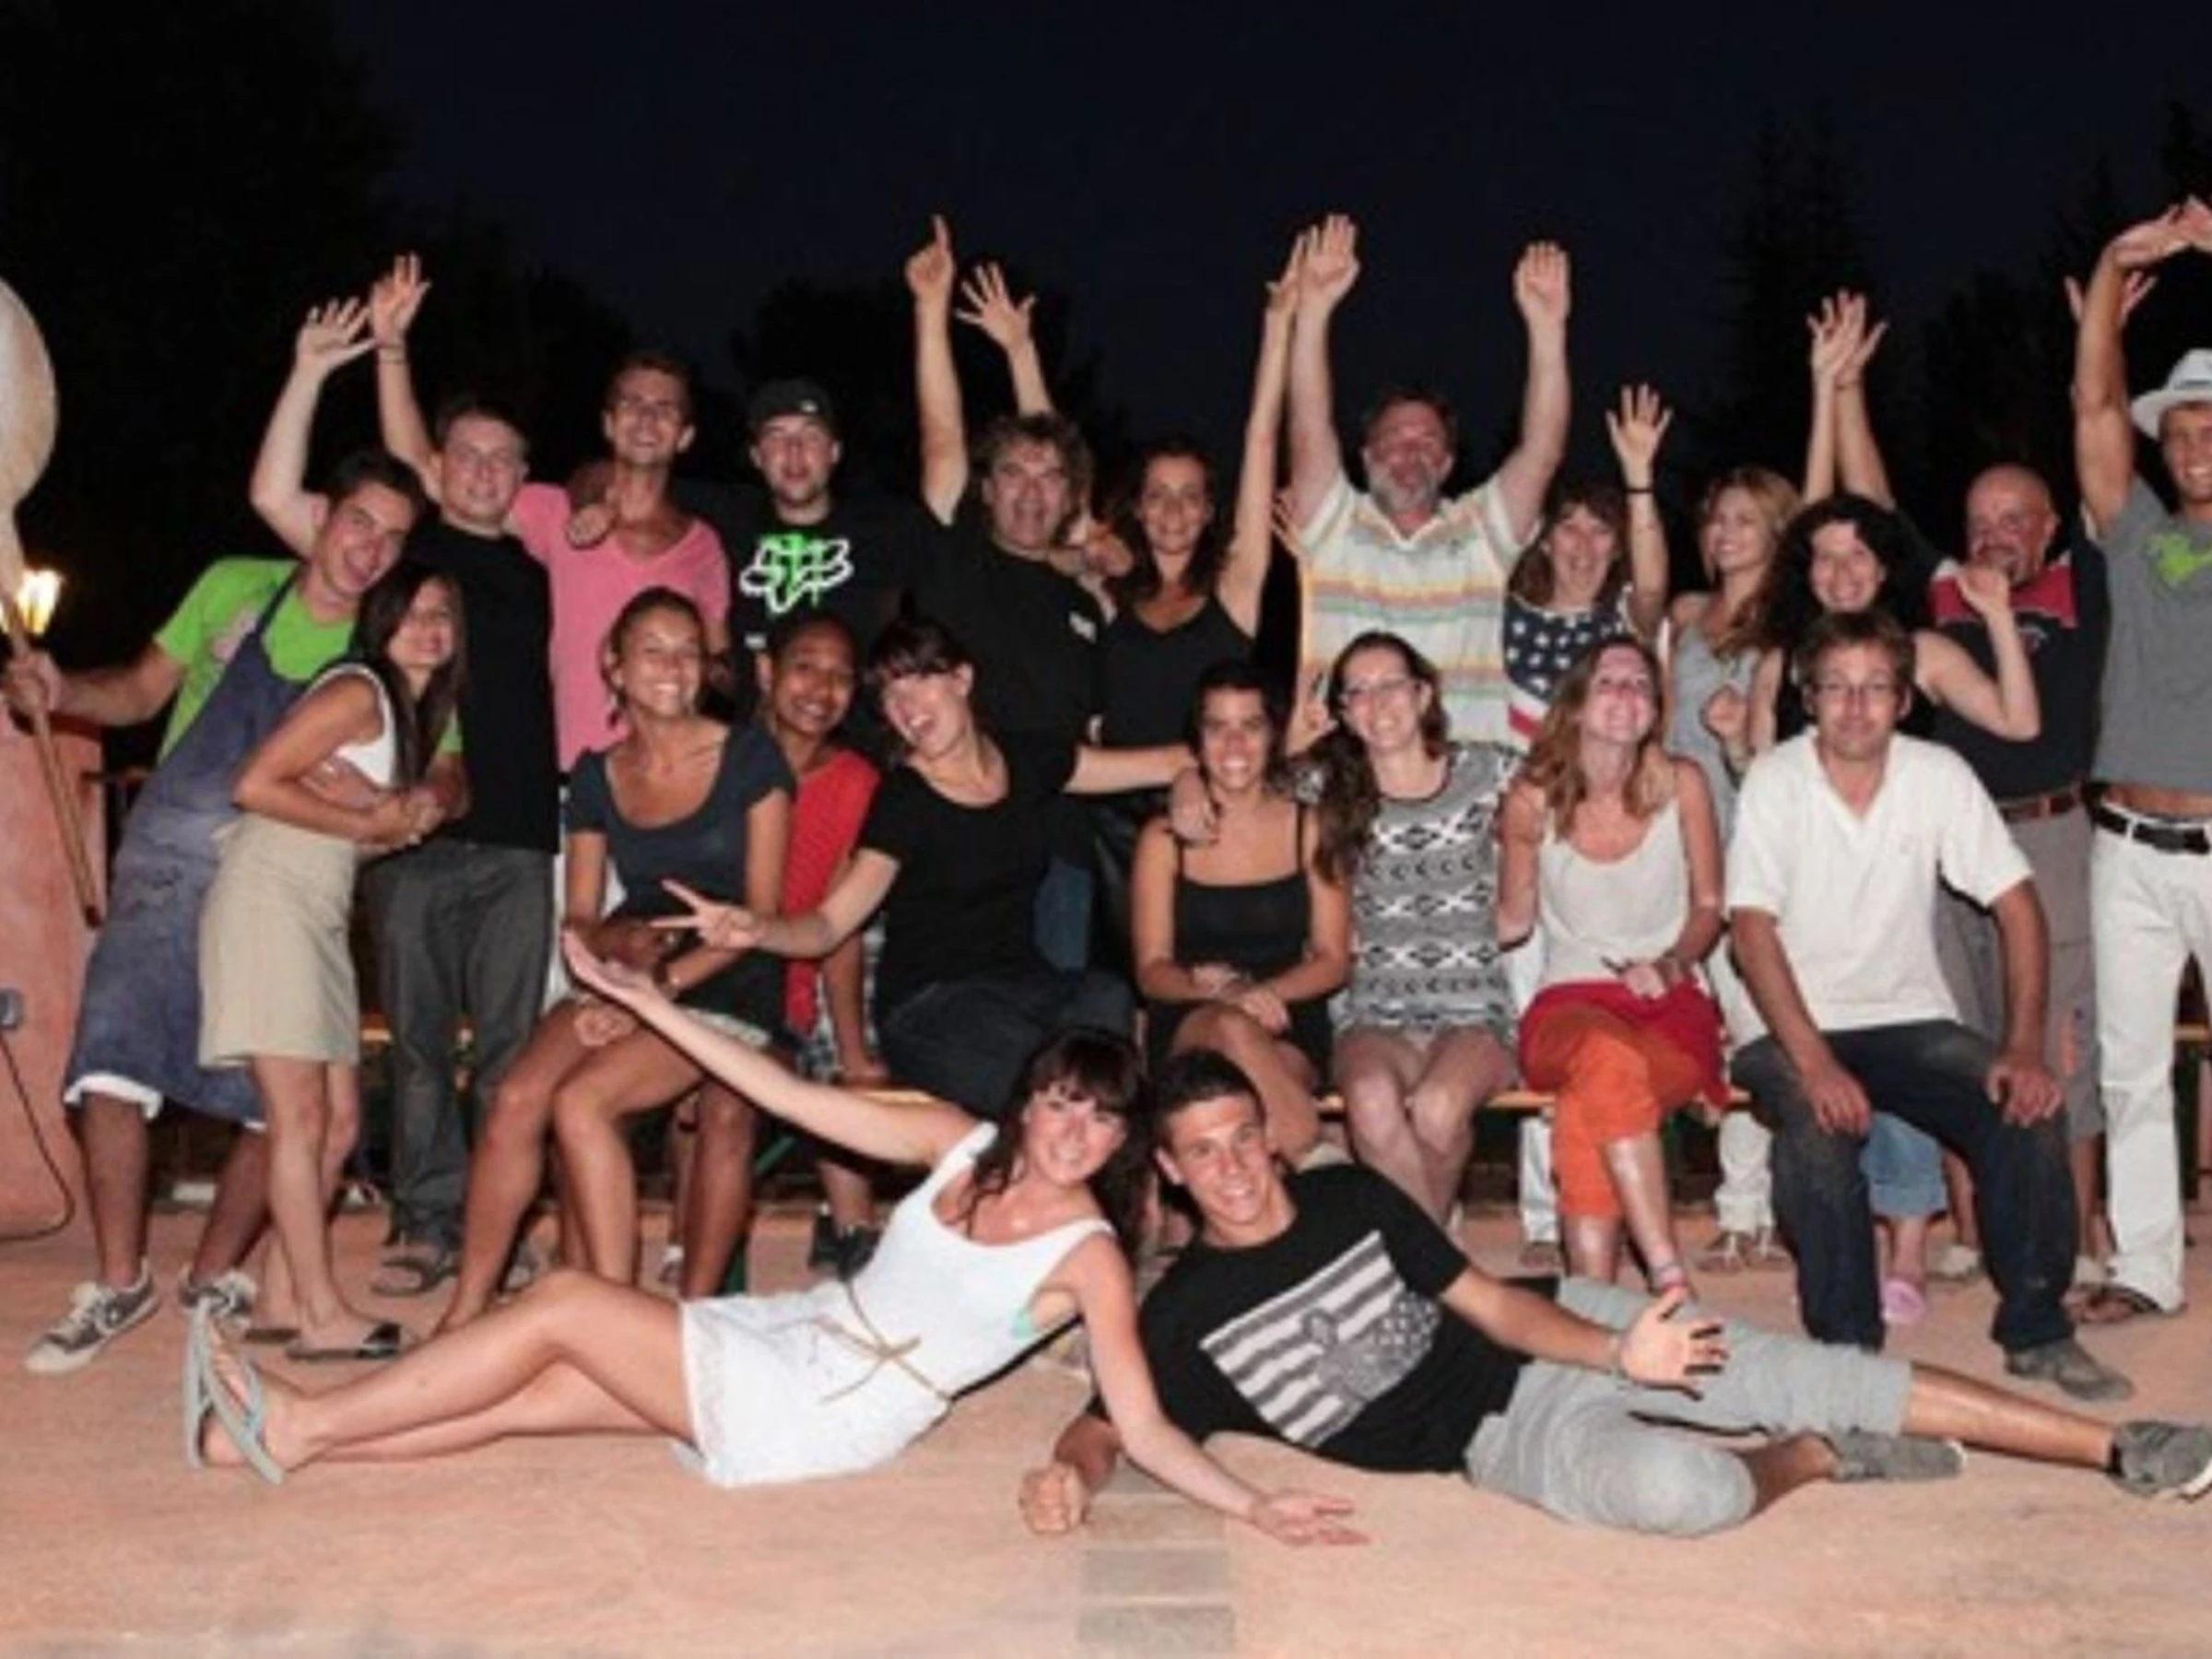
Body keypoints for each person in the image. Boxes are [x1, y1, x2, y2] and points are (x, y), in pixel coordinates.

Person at [186, 965, 1361, 1551]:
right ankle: (273, 1448)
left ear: (1121, 1143)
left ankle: (302, 1418)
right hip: (793, 1333)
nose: (1073, 1131)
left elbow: (1143, 1424)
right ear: (1030, 1099)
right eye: (1062, 1101)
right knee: (533, 1397)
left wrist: (1256, 1508)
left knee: (567, 1307)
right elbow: (789, 1095)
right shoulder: (957, 1143)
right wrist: (658, 1007)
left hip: (833, 1407)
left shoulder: (1089, 1254)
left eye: (1101, 1120)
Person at [1014, 1051, 2212, 1543]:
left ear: (1270, 1138)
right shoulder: (1185, 1315)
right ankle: (1815, 1459)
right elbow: (1111, 1424)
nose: (1231, 1166)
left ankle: (2126, 1448)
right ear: (1169, 1170)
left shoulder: (1352, 1202)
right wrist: (1070, 1474)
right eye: (1202, 1151)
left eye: (1242, 1137)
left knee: (1828, 1372)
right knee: (1684, 1496)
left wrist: (1615, 1349)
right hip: (1494, 1445)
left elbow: (1496, 1306)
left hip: (1566, 1331)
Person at [9, 300, 423, 1374]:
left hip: (276, 883)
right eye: (358, 521)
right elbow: (137, 691)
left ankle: (214, 1276)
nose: (369, 549)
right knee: (110, 1064)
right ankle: (118, 1282)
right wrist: (60, 689)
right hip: (167, 862)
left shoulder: (391, 649)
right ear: (322, 517)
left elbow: (424, 780)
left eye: (391, 538)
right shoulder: (237, 587)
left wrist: (398, 810)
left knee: (273, 1107)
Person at [1727, 608, 2126, 1401]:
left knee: (2027, 1107)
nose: (1855, 706)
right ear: (1809, 697)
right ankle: (1847, 1357)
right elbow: (1751, 932)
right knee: (1816, 1130)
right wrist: (1816, 1063)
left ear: (1905, 700)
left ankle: (2038, 1330)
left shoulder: (1937, 775)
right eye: (1837, 687)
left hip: (1909, 1017)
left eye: (1876, 687)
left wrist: (2022, 1046)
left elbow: (2018, 906)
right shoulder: (1776, 781)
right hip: (1793, 1026)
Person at [1828, 281, 2115, 1295]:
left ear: (2049, 527)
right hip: (1947, 843)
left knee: (2060, 1032)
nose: (1994, 532)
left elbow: (2101, 444)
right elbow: (1872, 508)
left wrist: (2098, 335)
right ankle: (1971, 1227)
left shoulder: (2084, 585)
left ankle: (2078, 1231)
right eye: (1980, 518)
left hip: (2050, 836)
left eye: (2014, 518)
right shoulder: (1944, 592)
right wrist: (1847, 387)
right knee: (1957, 1031)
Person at [659, 618, 1185, 1117]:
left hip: (1022, 987)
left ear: (962, 679)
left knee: (1106, 999)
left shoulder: (1026, 759)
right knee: (1054, 1075)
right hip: (930, 1010)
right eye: (891, 696)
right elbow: (830, 924)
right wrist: (756, 929)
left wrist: (1190, 784)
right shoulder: (903, 801)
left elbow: (1165, 761)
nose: (907, 708)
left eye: (919, 683)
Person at [444, 590, 789, 1329]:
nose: (673, 667)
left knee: (583, 1102)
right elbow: (579, 913)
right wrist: (605, 961)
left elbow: (759, 919)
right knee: (515, 1097)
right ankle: (466, 1308)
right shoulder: (595, 775)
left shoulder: (750, 757)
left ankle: (613, 1324)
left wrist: (653, 992)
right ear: (615, 666)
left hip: (725, 975)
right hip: (632, 961)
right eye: (653, 651)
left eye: (688, 651)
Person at [198, 561, 464, 1360]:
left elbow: (381, 821)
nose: (429, 629)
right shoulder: (357, 691)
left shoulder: (407, 713)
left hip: (315, 911)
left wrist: (384, 813)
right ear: (380, 622)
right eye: (411, 613)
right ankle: (320, 1315)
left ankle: (282, 1297)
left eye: (442, 615)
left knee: (341, 1123)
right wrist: (371, 821)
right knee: (301, 1120)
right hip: (269, 901)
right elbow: (253, 783)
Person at [371, 253, 731, 772]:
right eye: (632, 403)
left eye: (665, 408)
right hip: (568, 773)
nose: (647, 417)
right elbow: (427, 471)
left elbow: (719, 665)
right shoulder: (553, 511)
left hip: (665, 778)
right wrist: (391, 350)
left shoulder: (703, 545)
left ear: (686, 435)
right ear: (608, 423)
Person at [2069, 197, 2212, 1323]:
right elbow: (2094, 402)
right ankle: (2146, 1268)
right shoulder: (2139, 534)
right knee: (2130, 1069)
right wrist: (2115, 266)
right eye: (2182, 434)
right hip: (2123, 844)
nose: (2194, 447)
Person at [1284, 214, 1570, 744]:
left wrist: (1547, 330)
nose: (1410, 452)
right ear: (1366, 456)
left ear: (1447, 463)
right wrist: (1315, 311)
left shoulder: (1482, 531)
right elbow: (1306, 429)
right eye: (1394, 439)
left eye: (1428, 441)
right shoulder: (1334, 526)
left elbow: (1542, 452)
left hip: (1465, 775)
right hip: (1349, 772)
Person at [1497, 640, 1728, 1292]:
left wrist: (1673, 964)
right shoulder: (1532, 798)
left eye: (1640, 685)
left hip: (1668, 1006)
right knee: (1602, 1057)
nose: (1626, 694)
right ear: (1576, 701)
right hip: (1568, 1006)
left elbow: (1710, 905)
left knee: (1591, 1098)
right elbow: (1511, 920)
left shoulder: (1683, 783)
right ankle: (1668, 1275)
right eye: (1608, 682)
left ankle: (1592, 1302)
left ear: (1655, 709)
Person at [907, 218, 1106, 971]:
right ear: (985, 490)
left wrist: (1024, 352)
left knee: (1057, 1023)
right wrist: (931, 310)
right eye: (1012, 474)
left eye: (1049, 479)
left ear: (1070, 497)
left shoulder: (1087, 603)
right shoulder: (960, 560)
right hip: (960, 840)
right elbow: (941, 438)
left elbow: (1092, 733)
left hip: (1060, 855)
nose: (1031, 491)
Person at [674, 613, 885, 1294]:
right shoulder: (714, 758)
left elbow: (837, 926)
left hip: (791, 974)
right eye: (805, 668)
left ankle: (846, 1232)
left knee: (746, 1093)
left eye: (841, 676)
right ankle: (683, 1241)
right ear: (766, 672)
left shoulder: (856, 781)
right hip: (699, 969)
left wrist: (852, 1053)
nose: (822, 690)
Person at [1312, 632, 1518, 1224]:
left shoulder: (1486, 769)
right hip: (1373, 1010)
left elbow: (1576, 782)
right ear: (1343, 713)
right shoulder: (1324, 787)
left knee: (1438, 1107)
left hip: (1473, 1009)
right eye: (1358, 691)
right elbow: (1237, 777)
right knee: (1370, 1100)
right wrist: (1191, 783)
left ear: (1424, 695)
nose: (1377, 702)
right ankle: (1439, 1259)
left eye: (1391, 685)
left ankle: (1421, 1260)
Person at [1131, 663, 1348, 1165]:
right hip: (1191, 1012)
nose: (1234, 745)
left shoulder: (1309, 826)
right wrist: (1223, 994)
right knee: (1229, 1030)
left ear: (1274, 736)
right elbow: (1151, 970)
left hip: (1286, 1012)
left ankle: (1296, 1189)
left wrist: (1261, 995)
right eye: (1217, 727)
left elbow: (1334, 959)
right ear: (1198, 739)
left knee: (1256, 1085)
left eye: (1250, 726)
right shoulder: (1162, 839)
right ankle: (1322, 1171)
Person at [1664, 462, 1798, 1275]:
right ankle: (1739, 1204)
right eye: (1718, 518)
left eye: (1747, 520)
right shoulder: (1685, 617)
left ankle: (1753, 1209)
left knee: (1756, 1025)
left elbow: (1782, 759)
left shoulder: (1786, 626)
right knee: (1706, 1029)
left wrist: (1743, 735)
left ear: (1778, 532)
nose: (1726, 533)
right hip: (1683, 847)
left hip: (1754, 847)